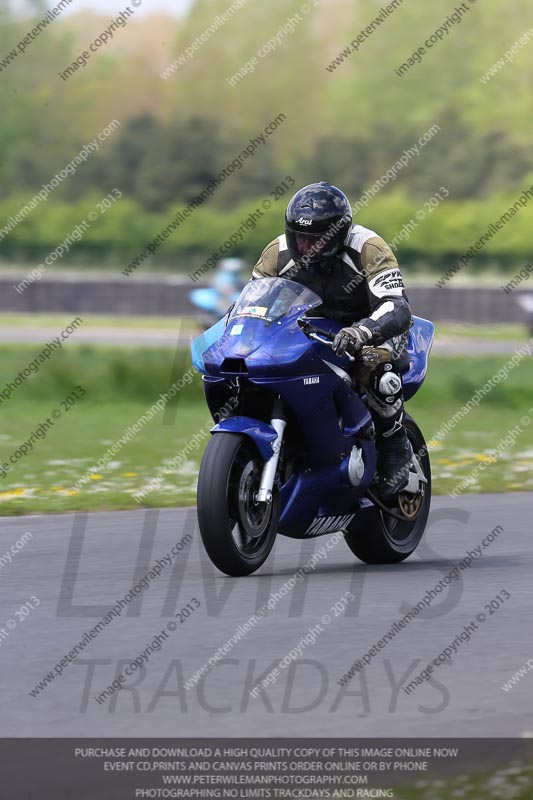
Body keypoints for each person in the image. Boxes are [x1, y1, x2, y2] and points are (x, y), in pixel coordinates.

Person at [252, 181, 412, 502]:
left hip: (373, 327)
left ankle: (395, 446)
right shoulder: (278, 253)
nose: (305, 244)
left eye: (315, 239)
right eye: (300, 236)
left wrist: (362, 331)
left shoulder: (369, 248)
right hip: (310, 329)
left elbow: (396, 306)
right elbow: (254, 302)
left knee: (372, 364)